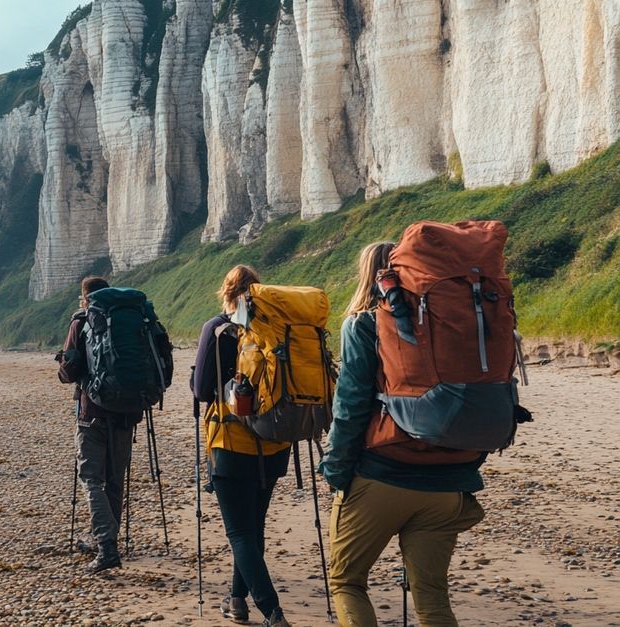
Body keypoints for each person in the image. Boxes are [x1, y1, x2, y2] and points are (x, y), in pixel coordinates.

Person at [321, 242, 486, 626]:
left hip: (382, 475)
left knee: (347, 582)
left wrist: (336, 471)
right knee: (431, 596)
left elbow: (350, 407)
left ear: (367, 275)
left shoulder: (363, 323)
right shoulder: (446, 324)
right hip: (447, 484)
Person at [191, 265, 292, 627]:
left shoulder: (217, 329)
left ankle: (272, 611)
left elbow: (202, 390)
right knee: (254, 527)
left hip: (231, 443)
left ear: (228, 292)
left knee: (239, 533)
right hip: (276, 443)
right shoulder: (278, 329)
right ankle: (237, 601)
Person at [56, 276, 138, 573]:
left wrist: (63, 371)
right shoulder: (130, 318)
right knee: (115, 480)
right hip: (127, 412)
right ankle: (108, 540)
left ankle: (106, 546)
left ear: (85, 298)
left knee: (92, 480)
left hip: (91, 413)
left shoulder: (81, 322)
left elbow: (69, 371)